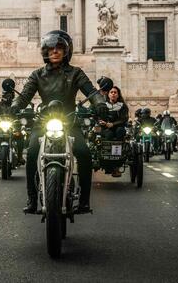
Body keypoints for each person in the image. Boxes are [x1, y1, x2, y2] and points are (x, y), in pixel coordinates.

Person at [12, 30, 107, 214]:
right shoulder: (37, 75)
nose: (55, 51)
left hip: (69, 120)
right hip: (44, 121)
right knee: (31, 153)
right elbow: (24, 96)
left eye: (59, 48)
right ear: (45, 52)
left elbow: (91, 92)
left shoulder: (76, 73)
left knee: (84, 153)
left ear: (66, 51)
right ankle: (32, 199)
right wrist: (15, 106)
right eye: (51, 48)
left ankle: (85, 201)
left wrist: (100, 103)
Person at [100, 85, 129, 177]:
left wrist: (113, 124)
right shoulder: (103, 105)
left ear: (118, 95)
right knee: (109, 135)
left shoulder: (123, 106)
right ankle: (107, 163)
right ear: (108, 94)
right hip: (106, 128)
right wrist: (101, 121)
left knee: (120, 131)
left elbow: (124, 119)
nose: (113, 94)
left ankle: (117, 164)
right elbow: (97, 116)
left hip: (118, 127)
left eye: (115, 92)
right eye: (111, 92)